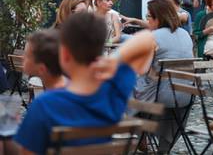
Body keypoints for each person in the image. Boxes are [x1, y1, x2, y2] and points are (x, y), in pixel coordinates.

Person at [14, 12, 156, 154]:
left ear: (64, 54)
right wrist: (113, 59)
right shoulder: (112, 90)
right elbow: (148, 39)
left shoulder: (45, 104)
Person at [134, 0, 193, 152]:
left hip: (161, 97)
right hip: (185, 96)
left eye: (148, 17)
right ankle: (163, 145)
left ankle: (140, 134)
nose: (147, 21)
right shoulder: (185, 35)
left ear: (157, 18)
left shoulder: (152, 37)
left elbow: (141, 70)